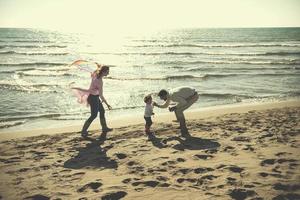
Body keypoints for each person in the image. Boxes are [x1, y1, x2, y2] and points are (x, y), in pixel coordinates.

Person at [72, 63, 113, 138]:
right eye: (107, 71)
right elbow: (101, 95)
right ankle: (83, 131)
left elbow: (95, 71)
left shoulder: (95, 74)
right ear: (103, 72)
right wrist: (107, 104)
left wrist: (99, 66)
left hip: (94, 97)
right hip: (93, 98)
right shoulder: (100, 81)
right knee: (94, 115)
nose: (108, 72)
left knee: (102, 111)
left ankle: (104, 128)